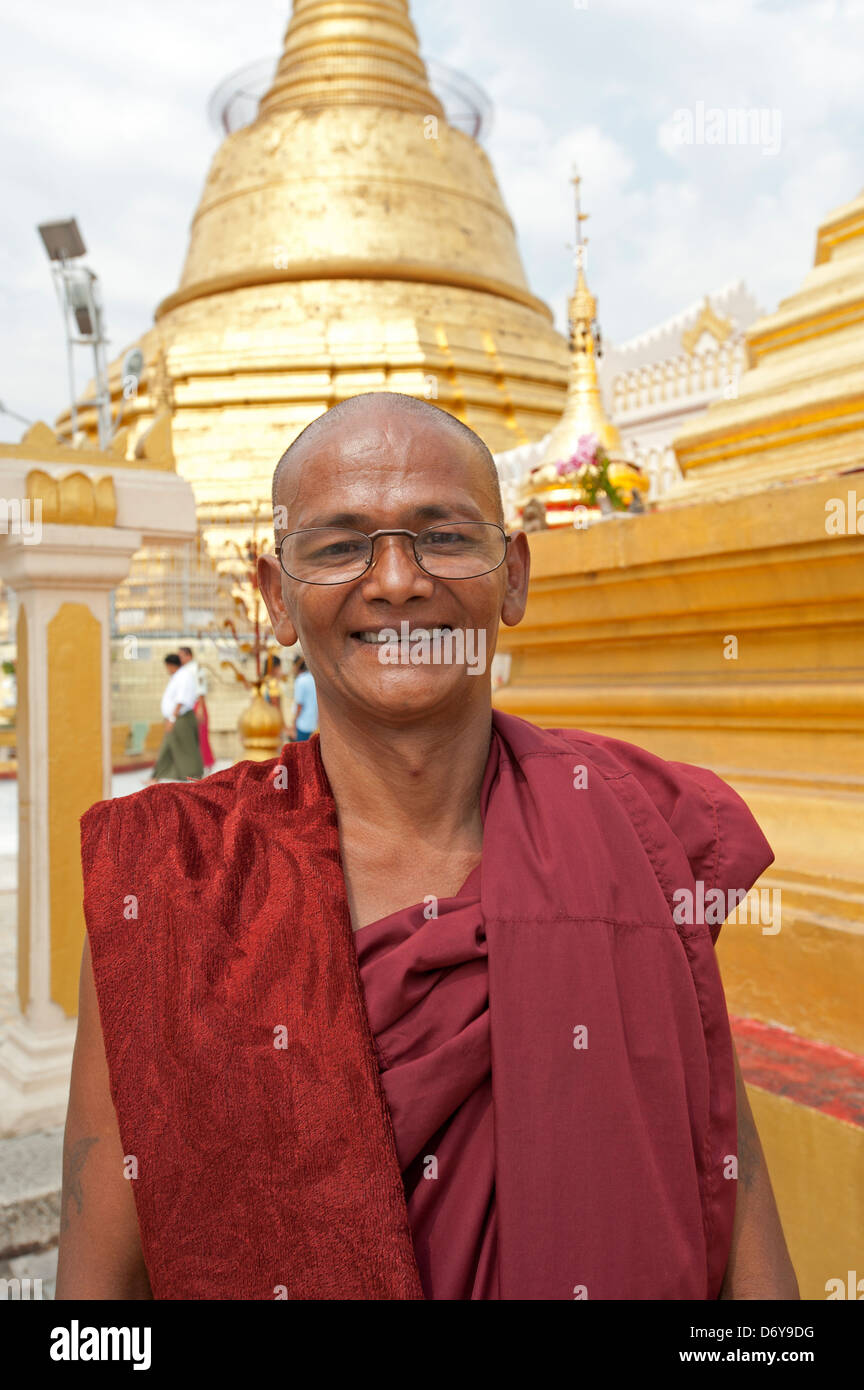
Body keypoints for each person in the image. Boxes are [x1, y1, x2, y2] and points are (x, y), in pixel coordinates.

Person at [59, 392, 798, 1301]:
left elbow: (745, 1251)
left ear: (514, 575)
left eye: (444, 536)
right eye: (338, 546)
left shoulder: (638, 838)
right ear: (275, 597)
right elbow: (96, 1301)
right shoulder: (177, 876)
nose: (399, 581)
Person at [150, 652, 203, 783]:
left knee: (187, 749)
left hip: (181, 718)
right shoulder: (178, 676)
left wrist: (172, 719)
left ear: (170, 665)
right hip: (175, 718)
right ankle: (155, 776)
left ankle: (194, 776)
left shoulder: (184, 676)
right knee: (168, 747)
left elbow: (181, 699)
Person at [180, 646, 214, 773]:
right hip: (187, 706)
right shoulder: (183, 670)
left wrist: (200, 708)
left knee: (201, 735)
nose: (180, 658)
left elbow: (201, 689)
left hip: (197, 705)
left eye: (181, 656)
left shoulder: (196, 669)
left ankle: (206, 763)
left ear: (188, 655)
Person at [288, 654, 317, 741]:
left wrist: (293, 723)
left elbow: (299, 705)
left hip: (302, 724)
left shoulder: (300, 681)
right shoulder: (313, 678)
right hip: (313, 723)